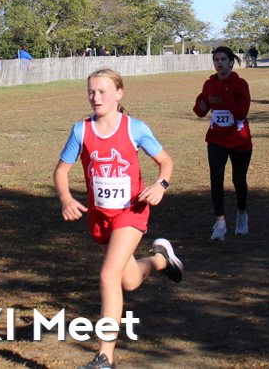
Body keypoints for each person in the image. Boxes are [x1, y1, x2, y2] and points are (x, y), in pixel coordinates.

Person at [54, 68, 183, 369]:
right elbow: (61, 171)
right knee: (129, 281)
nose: (96, 97)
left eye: (102, 92)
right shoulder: (81, 131)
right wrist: (66, 198)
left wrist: (160, 185)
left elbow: (165, 161)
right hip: (100, 216)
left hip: (132, 212)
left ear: (119, 94)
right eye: (91, 92)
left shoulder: (134, 128)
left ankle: (104, 358)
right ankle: (162, 259)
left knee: (108, 276)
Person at [193, 46, 253, 241]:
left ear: (231, 62)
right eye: (216, 59)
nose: (219, 63)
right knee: (216, 178)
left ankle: (242, 215)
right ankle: (220, 222)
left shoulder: (240, 84)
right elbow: (200, 109)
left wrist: (225, 91)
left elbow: (240, 113)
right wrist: (201, 107)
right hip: (216, 138)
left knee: (239, 179)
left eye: (223, 59)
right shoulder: (209, 84)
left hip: (239, 138)